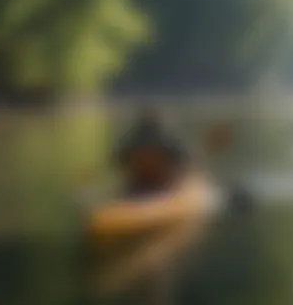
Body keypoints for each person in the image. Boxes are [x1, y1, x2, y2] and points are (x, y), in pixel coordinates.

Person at [83, 110, 223, 304]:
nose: (145, 147)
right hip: (145, 189)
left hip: (163, 189)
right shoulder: (147, 149)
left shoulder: (163, 150)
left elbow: (183, 169)